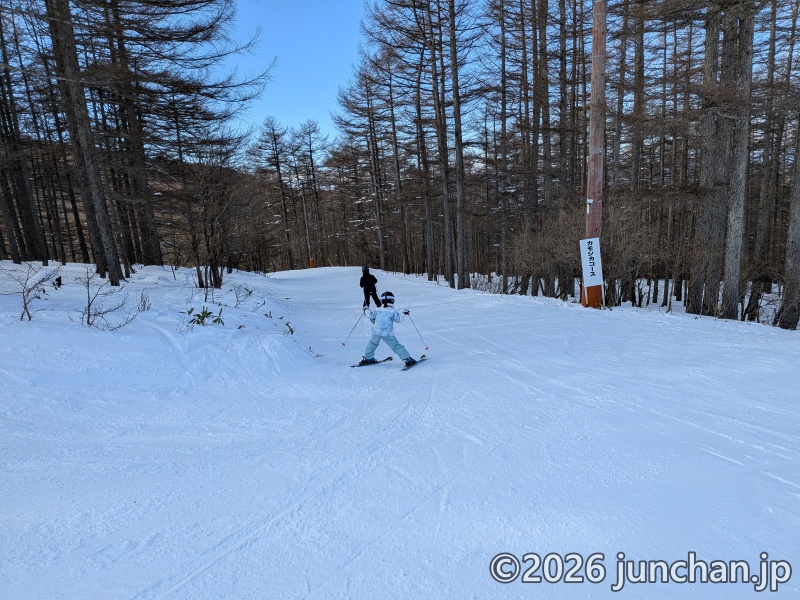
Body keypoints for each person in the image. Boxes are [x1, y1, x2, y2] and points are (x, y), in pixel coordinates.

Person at [358, 291, 417, 368]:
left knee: (372, 344)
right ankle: (407, 359)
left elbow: (370, 315)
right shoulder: (392, 311)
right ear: (392, 301)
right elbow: (399, 319)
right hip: (387, 333)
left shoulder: (377, 309)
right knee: (395, 346)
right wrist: (404, 313)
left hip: (376, 332)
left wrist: (366, 309)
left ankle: (368, 358)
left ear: (382, 301)